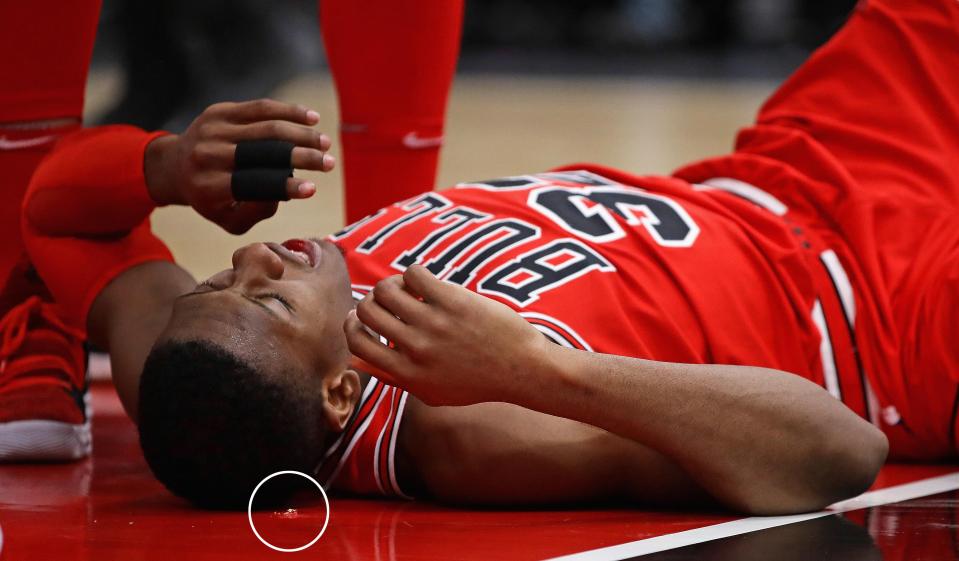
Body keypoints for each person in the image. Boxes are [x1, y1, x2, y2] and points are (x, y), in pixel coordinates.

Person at [18, 0, 959, 514]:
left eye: (223, 273)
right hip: (891, 307)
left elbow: (51, 208)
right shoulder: (479, 434)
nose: (254, 262)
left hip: (791, 167)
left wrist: (169, 167)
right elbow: (839, 449)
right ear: (341, 393)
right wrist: (537, 369)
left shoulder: (188, 369)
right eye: (268, 299)